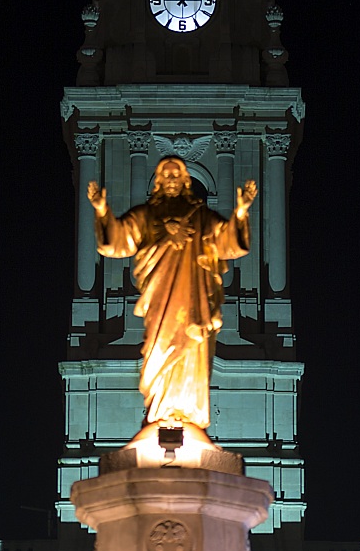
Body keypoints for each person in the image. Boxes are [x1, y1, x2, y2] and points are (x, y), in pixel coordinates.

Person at [87, 157, 256, 428]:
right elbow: (118, 241)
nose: (171, 180)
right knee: (159, 351)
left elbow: (227, 243)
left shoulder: (200, 215)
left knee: (192, 350)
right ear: (158, 181)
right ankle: (161, 411)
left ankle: (186, 413)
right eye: (166, 175)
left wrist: (240, 212)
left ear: (186, 180)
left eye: (176, 175)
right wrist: (102, 210)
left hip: (193, 301)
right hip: (160, 301)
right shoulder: (146, 215)